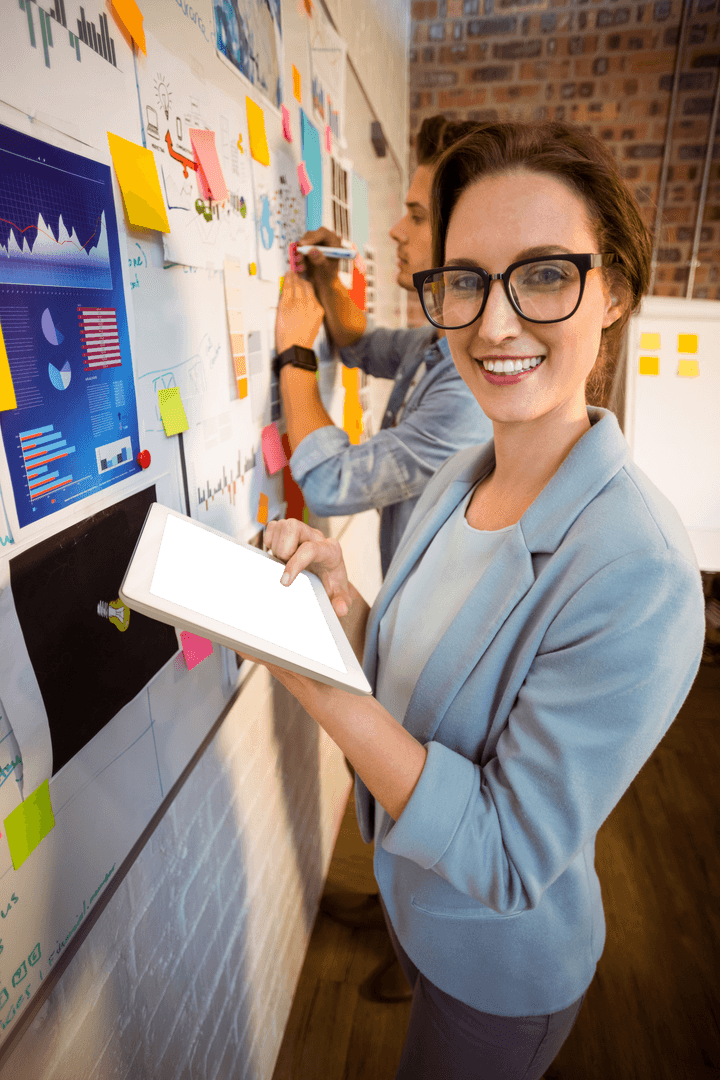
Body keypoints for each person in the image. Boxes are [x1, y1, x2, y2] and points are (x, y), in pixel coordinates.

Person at [242, 120, 705, 1079]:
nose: (493, 325)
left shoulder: (640, 571)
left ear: (615, 291)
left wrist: (314, 684)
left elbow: (504, 851)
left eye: (545, 274)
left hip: (498, 967)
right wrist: (340, 603)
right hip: (414, 897)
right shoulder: (465, 471)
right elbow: (411, 680)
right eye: (464, 280)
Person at [274, 115, 493, 582]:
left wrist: (295, 354)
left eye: (416, 216)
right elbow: (359, 344)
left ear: (463, 234)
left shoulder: (468, 393)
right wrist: (327, 280)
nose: (396, 230)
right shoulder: (439, 343)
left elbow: (329, 482)